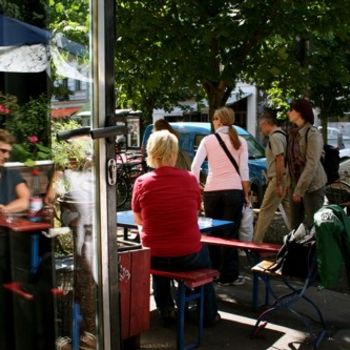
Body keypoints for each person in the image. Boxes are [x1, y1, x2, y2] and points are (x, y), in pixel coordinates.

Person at [132, 130, 220, 326]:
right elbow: (196, 213)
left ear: (151, 152)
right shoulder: (190, 179)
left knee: (157, 260)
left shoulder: (141, 182)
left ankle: (166, 309)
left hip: (154, 255)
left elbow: (138, 219)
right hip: (187, 254)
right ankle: (209, 313)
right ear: (175, 153)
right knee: (203, 255)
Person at [191, 107, 250, 286]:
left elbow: (195, 166)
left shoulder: (208, 140)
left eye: (214, 118)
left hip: (212, 191)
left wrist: (197, 186)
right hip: (233, 191)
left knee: (213, 234)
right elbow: (244, 171)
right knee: (230, 234)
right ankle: (229, 275)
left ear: (219, 120)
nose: (213, 121)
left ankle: (213, 272)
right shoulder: (240, 141)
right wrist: (246, 193)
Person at [0, 129, 30, 350]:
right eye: (2, 151)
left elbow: (25, 200)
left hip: (7, 239)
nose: (5, 156)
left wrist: (4, 209)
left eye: (7, 152)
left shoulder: (9, 174)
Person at [287, 98, 327, 230]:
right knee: (295, 226)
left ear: (300, 112)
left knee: (313, 225)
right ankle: (295, 251)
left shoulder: (312, 133)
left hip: (312, 186)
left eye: (291, 110)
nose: (288, 113)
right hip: (295, 184)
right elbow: (291, 161)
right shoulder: (293, 132)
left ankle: (317, 251)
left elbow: (312, 164)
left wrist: (299, 190)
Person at [254, 110, 291, 243]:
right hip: (285, 177)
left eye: (260, 127)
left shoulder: (275, 137)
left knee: (265, 211)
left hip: (278, 178)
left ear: (266, 124)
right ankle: (301, 237)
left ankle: (256, 243)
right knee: (289, 211)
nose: (260, 130)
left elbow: (279, 159)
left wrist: (278, 183)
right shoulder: (283, 135)